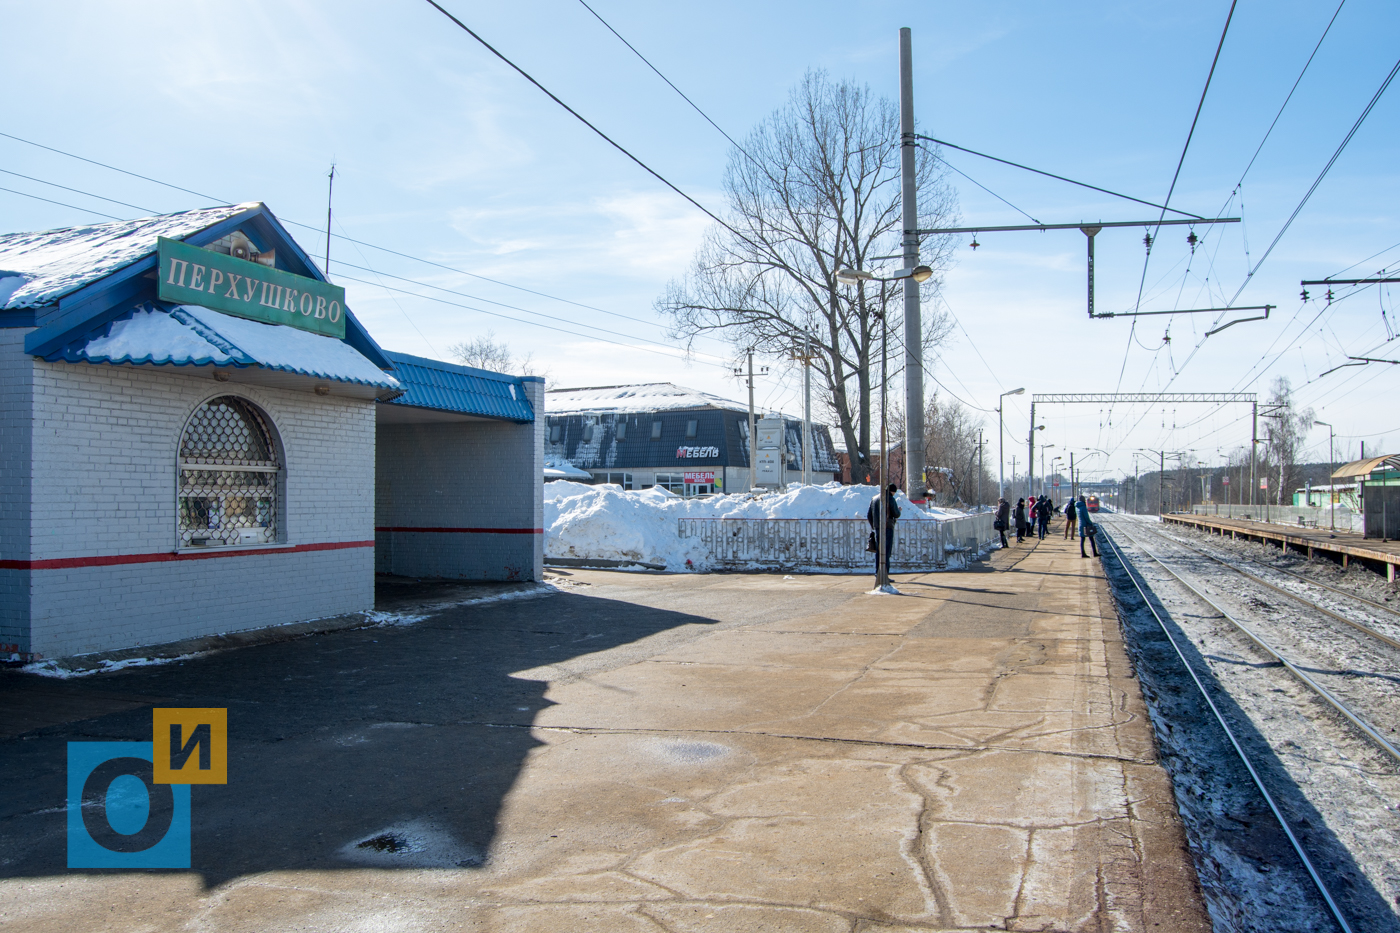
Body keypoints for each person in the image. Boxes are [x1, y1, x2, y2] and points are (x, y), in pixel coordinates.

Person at [867, 482, 902, 579]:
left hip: (878, 529)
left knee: (879, 551)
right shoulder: (890, 498)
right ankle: (884, 575)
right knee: (886, 552)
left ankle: (878, 573)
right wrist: (899, 510)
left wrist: (875, 526)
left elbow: (869, 515)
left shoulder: (874, 499)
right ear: (893, 491)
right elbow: (896, 514)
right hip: (888, 528)